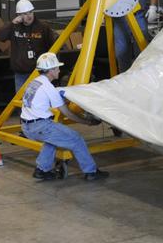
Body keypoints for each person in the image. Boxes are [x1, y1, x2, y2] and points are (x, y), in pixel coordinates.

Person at [21, 52, 108, 182]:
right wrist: (87, 122)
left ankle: (41, 170)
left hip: (26, 126)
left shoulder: (35, 82)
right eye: (56, 68)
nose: (59, 70)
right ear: (50, 71)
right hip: (40, 126)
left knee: (53, 140)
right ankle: (91, 172)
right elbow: (67, 113)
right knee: (76, 139)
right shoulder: (48, 87)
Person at [0, 0, 57, 91]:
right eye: (25, 14)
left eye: (30, 12)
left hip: (39, 72)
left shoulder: (43, 27)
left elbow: (53, 46)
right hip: (21, 73)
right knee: (23, 101)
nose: (29, 16)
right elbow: (0, 37)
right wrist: (12, 24)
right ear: (19, 16)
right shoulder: (14, 27)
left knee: (39, 99)